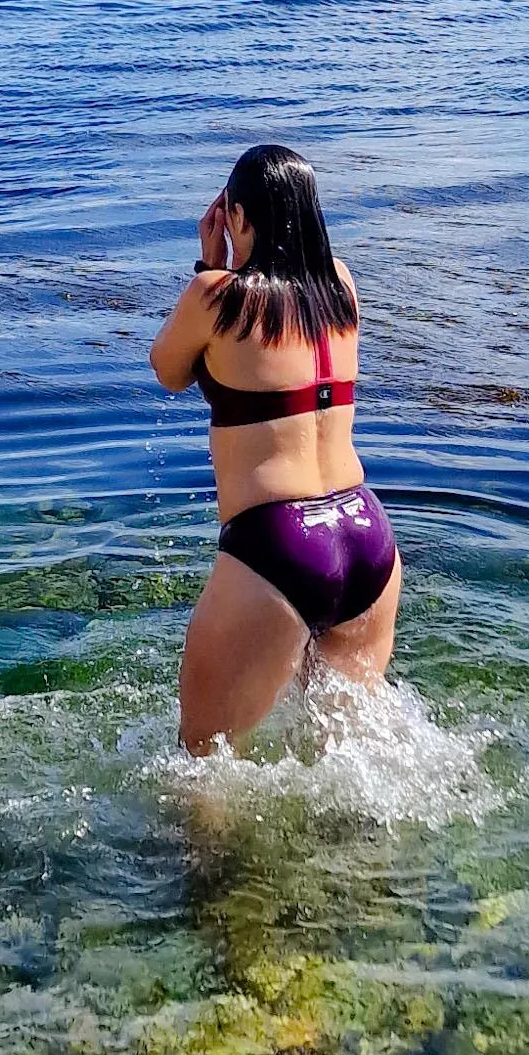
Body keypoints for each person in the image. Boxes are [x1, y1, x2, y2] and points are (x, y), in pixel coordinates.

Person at [149, 144, 401, 754]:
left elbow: (169, 371)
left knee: (200, 759)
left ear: (238, 218)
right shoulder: (341, 286)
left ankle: (198, 856)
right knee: (344, 747)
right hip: (366, 535)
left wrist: (207, 266)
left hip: (279, 542)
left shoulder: (217, 296)